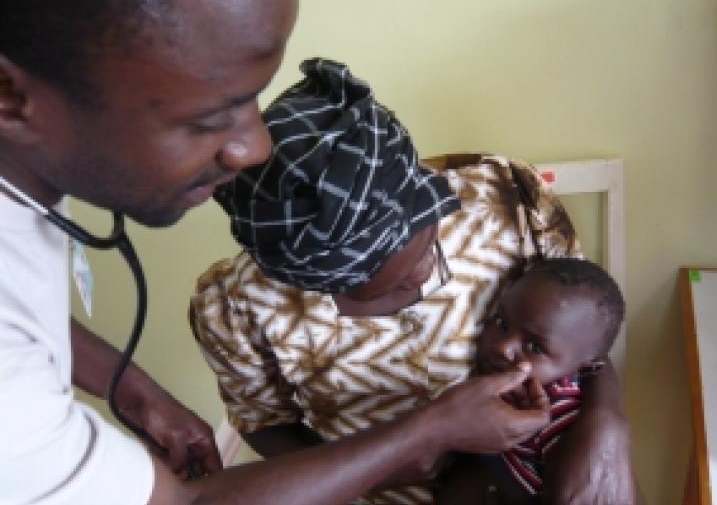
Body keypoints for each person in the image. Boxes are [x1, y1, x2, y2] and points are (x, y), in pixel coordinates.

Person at [0, 0, 555, 505]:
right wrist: (430, 433)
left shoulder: (503, 203)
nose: (255, 148)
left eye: (256, 101)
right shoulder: (16, 398)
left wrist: (139, 393)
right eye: (211, 118)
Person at [190, 59, 637, 504]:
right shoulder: (237, 311)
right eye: (399, 283)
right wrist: (405, 452)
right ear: (319, 286)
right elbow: (265, 425)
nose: (428, 273)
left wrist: (607, 423)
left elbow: (581, 328)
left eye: (428, 230)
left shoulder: (507, 203)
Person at [434, 257, 628, 504]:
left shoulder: (561, 416)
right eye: (502, 323)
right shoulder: (509, 384)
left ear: (585, 366)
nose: (503, 347)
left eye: (534, 346)